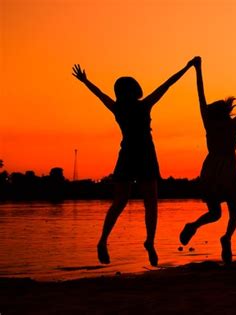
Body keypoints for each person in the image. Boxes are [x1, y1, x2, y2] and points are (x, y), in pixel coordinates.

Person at [72, 58, 198, 266]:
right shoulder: (143, 105)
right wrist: (187, 67)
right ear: (134, 90)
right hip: (145, 154)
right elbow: (167, 84)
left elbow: (100, 95)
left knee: (121, 201)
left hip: (128, 153)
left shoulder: (118, 108)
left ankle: (104, 240)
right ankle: (148, 241)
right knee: (150, 202)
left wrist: (86, 81)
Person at [179, 57, 236, 264]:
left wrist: (198, 68)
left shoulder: (210, 123)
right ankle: (226, 237)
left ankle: (195, 226)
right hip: (227, 169)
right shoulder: (233, 124)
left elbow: (200, 94)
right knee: (233, 210)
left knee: (215, 213)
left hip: (212, 168)